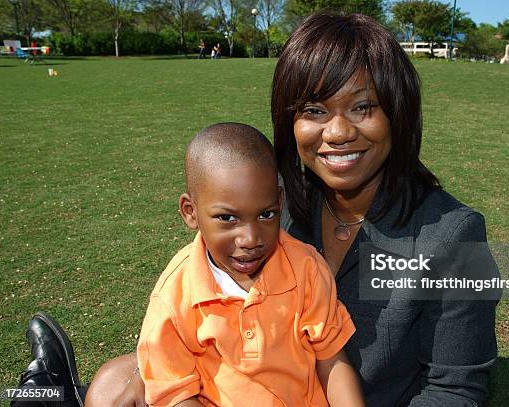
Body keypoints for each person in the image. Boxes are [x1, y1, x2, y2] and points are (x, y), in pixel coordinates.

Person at [14, 12, 498, 407]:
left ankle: (52, 389)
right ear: (289, 121)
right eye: (313, 111)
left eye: (362, 107)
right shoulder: (277, 205)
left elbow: (456, 390)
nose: (337, 132)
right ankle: (53, 388)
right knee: (116, 384)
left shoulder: (455, 235)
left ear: (398, 112)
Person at [138, 122, 363, 406]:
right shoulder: (175, 295)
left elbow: (331, 360)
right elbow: (175, 394)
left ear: (280, 202)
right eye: (227, 218)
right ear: (190, 212)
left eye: (266, 214)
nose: (250, 238)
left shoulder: (306, 268)